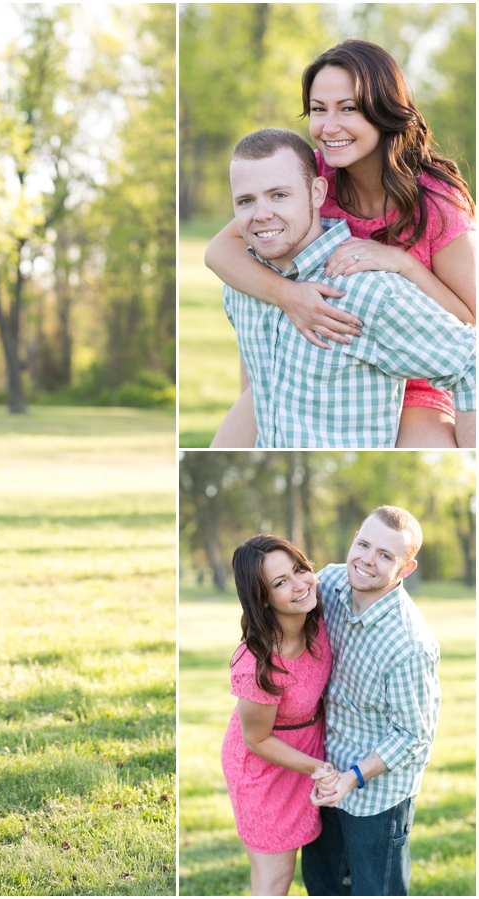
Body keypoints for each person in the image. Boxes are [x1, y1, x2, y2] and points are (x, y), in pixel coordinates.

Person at [206, 39, 476, 449]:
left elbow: (470, 323)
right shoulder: (316, 173)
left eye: (347, 108)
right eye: (318, 110)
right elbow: (220, 251)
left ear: (383, 110)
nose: (328, 127)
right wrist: (290, 296)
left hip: (417, 378)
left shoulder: (435, 201)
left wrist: (402, 264)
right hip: (325, 364)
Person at [303, 506, 441, 896]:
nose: (366, 560)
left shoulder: (410, 644)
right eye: (363, 544)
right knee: (323, 885)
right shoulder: (329, 583)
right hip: (326, 773)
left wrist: (354, 777)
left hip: (379, 795)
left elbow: (413, 735)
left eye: (385, 555)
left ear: (406, 568)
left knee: (373, 890)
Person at [222, 535, 338, 896]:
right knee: (274, 882)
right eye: (280, 582)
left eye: (299, 569)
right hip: (265, 771)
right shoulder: (257, 663)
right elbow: (256, 738)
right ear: (263, 599)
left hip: (308, 753)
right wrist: (316, 768)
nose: (300, 584)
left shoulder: (318, 617)